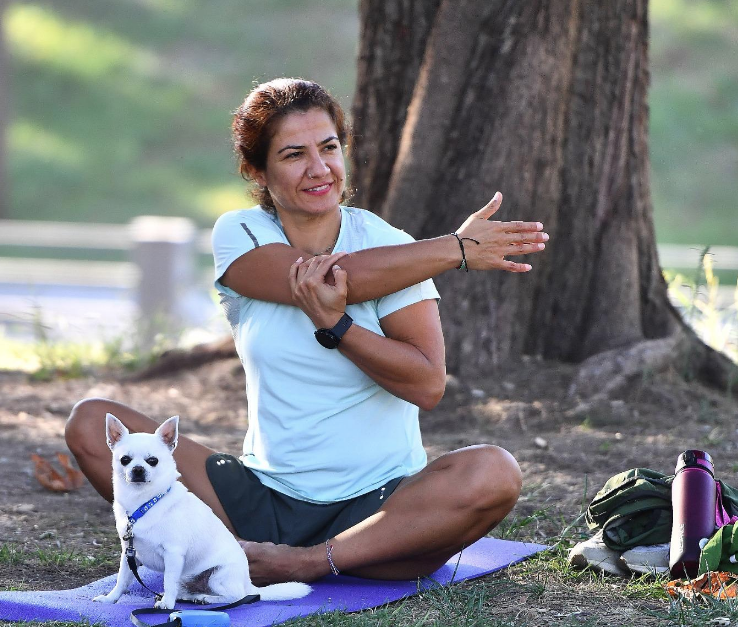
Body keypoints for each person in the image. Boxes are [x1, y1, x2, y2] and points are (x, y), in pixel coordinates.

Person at [65, 78, 548, 583]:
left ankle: (306, 562)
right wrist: (455, 249)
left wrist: (338, 326)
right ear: (257, 170)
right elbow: (318, 279)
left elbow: (427, 385)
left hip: (376, 511)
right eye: (294, 154)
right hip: (259, 497)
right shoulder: (243, 234)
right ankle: (235, 555)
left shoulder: (393, 248)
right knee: (90, 422)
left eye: (329, 148)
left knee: (493, 471)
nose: (319, 169)